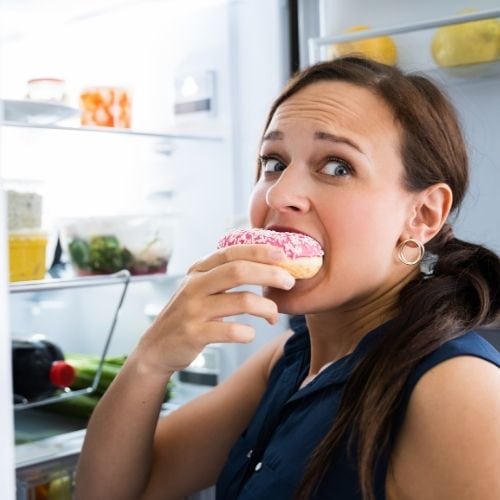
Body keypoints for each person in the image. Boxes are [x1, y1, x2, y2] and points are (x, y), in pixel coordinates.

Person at [75, 56, 500, 500]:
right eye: (274, 162)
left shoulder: (458, 391)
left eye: (337, 166)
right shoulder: (290, 358)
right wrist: (150, 360)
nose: (278, 194)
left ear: (423, 214)